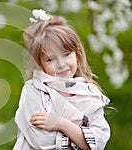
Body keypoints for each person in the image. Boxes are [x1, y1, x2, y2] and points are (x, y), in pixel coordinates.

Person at [13, 9, 110, 150]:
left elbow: (98, 143)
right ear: (40, 64)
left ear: (77, 54)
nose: (61, 64)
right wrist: (81, 136)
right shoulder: (34, 91)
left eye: (66, 54)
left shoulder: (89, 94)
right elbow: (41, 141)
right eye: (51, 59)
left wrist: (61, 124)